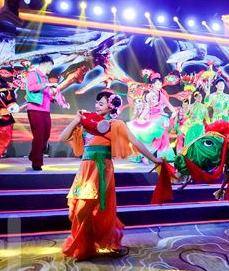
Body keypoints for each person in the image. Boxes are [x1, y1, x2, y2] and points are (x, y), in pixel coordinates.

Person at [60, 90, 161, 260]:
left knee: (84, 209)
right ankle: (86, 247)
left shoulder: (115, 125)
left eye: (101, 103)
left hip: (100, 170)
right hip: (84, 170)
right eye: (97, 102)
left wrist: (154, 159)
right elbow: (63, 137)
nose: (97, 106)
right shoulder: (87, 123)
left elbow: (135, 141)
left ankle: (87, 247)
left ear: (111, 106)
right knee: (78, 210)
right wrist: (77, 119)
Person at [26, 55, 60, 171]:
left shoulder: (44, 78)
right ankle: (37, 162)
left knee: (46, 135)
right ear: (47, 64)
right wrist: (47, 84)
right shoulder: (33, 74)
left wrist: (52, 98)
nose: (51, 69)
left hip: (45, 110)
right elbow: (31, 88)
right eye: (51, 67)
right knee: (39, 136)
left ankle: (33, 154)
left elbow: (44, 94)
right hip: (35, 109)